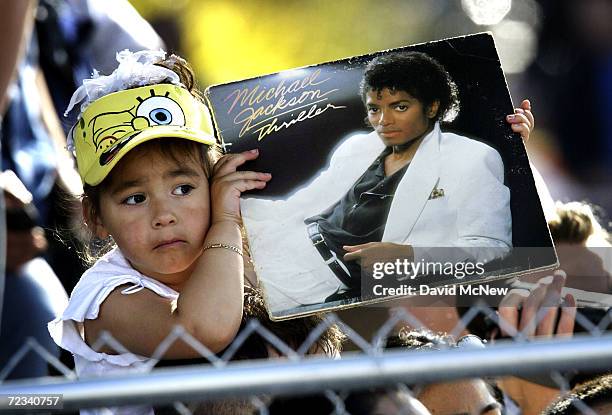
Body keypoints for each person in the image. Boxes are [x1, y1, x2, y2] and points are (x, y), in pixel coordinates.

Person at [47, 50, 271, 415]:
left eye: (183, 189)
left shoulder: (238, 255)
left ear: (215, 185)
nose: (163, 215)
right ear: (96, 217)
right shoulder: (104, 297)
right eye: (135, 198)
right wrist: (225, 223)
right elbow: (201, 330)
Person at [242, 51, 513, 313]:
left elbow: (493, 250)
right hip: (283, 241)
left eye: (400, 107)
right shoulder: (358, 146)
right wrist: (233, 202)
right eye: (374, 109)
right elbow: (296, 207)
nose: (383, 121)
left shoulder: (472, 157)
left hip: (319, 281)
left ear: (432, 106)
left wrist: (409, 256)